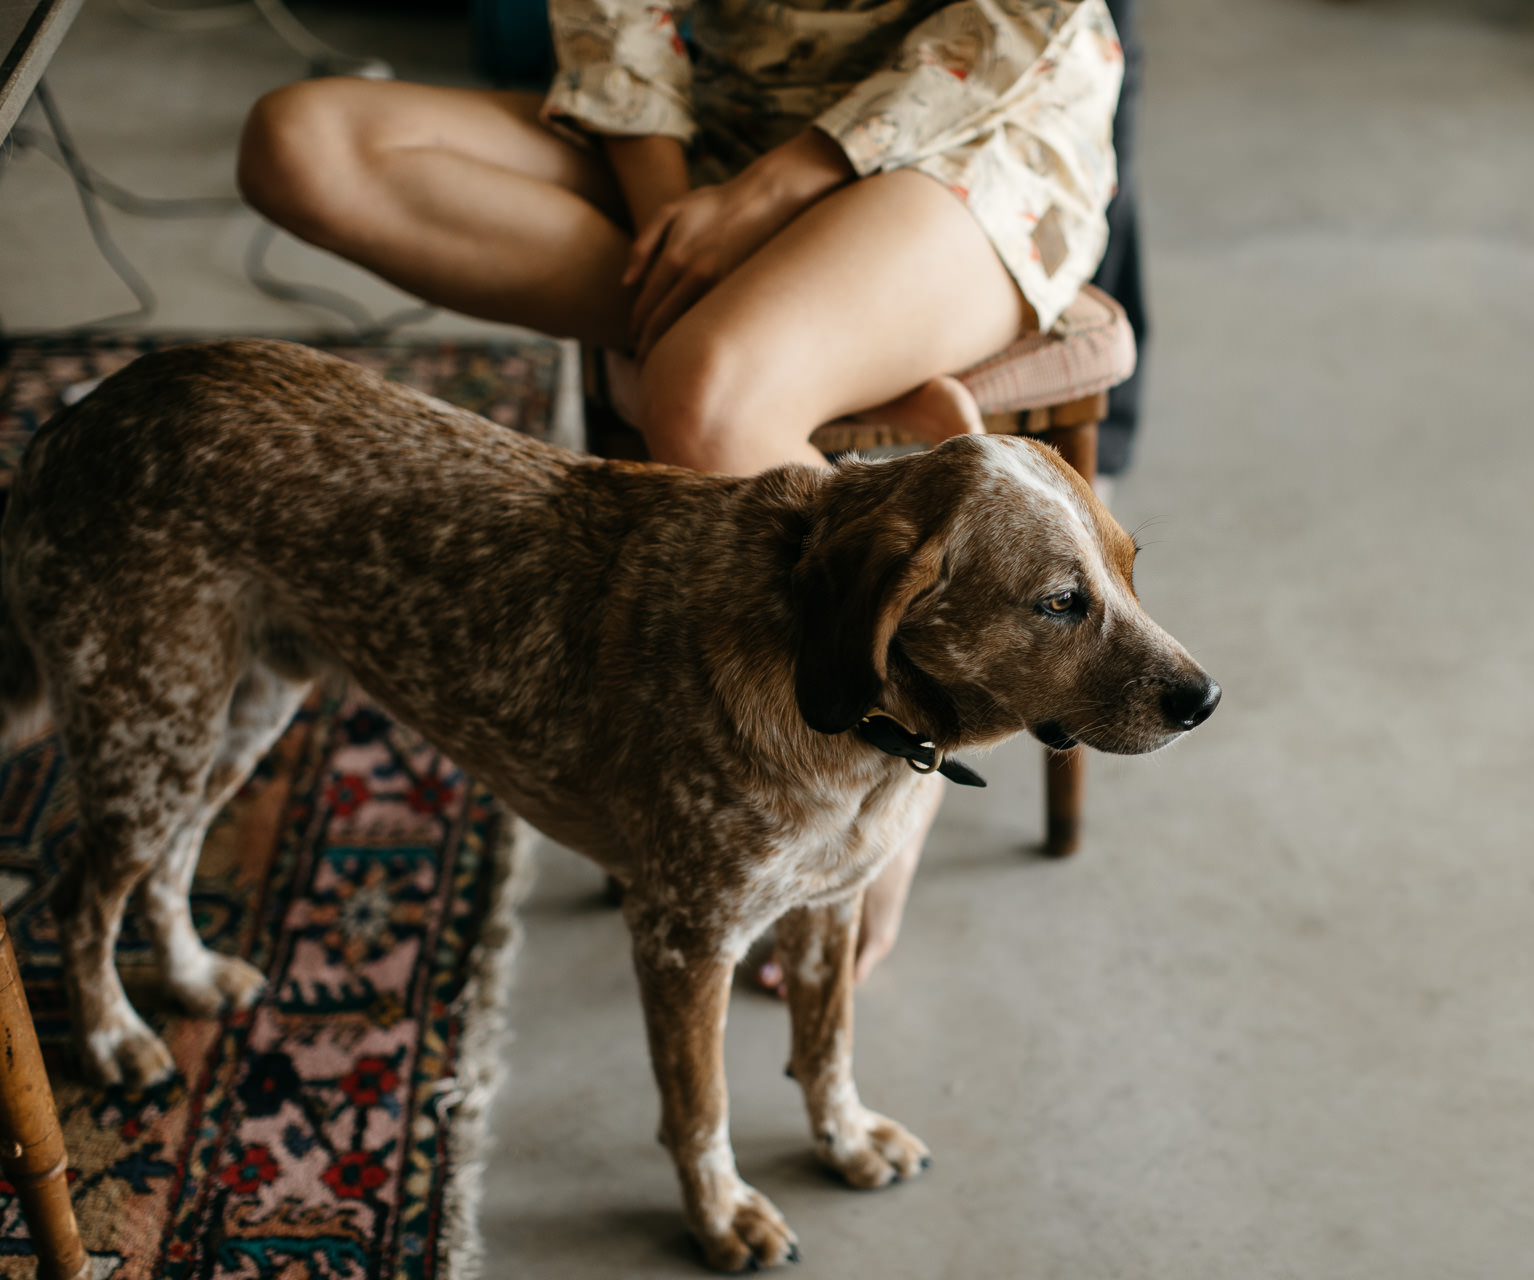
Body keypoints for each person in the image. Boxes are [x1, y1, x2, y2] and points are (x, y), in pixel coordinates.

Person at [236, 0, 1124, 986]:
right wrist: (674, 211)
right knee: (299, 143)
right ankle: (812, 347)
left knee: (701, 397)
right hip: (720, 113)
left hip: (964, 130)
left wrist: (758, 201)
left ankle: (904, 756)